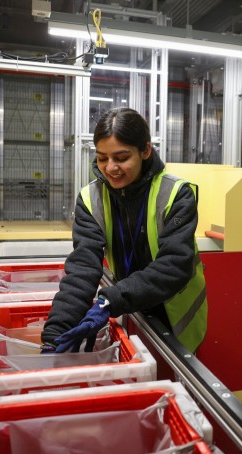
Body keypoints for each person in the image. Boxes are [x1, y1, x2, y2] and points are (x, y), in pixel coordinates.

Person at [41, 107, 207, 354]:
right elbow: (83, 267)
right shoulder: (90, 199)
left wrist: (111, 301)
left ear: (145, 151)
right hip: (127, 309)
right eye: (101, 158)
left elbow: (174, 265)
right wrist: (56, 332)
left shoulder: (175, 194)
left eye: (121, 158)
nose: (110, 168)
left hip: (177, 322)